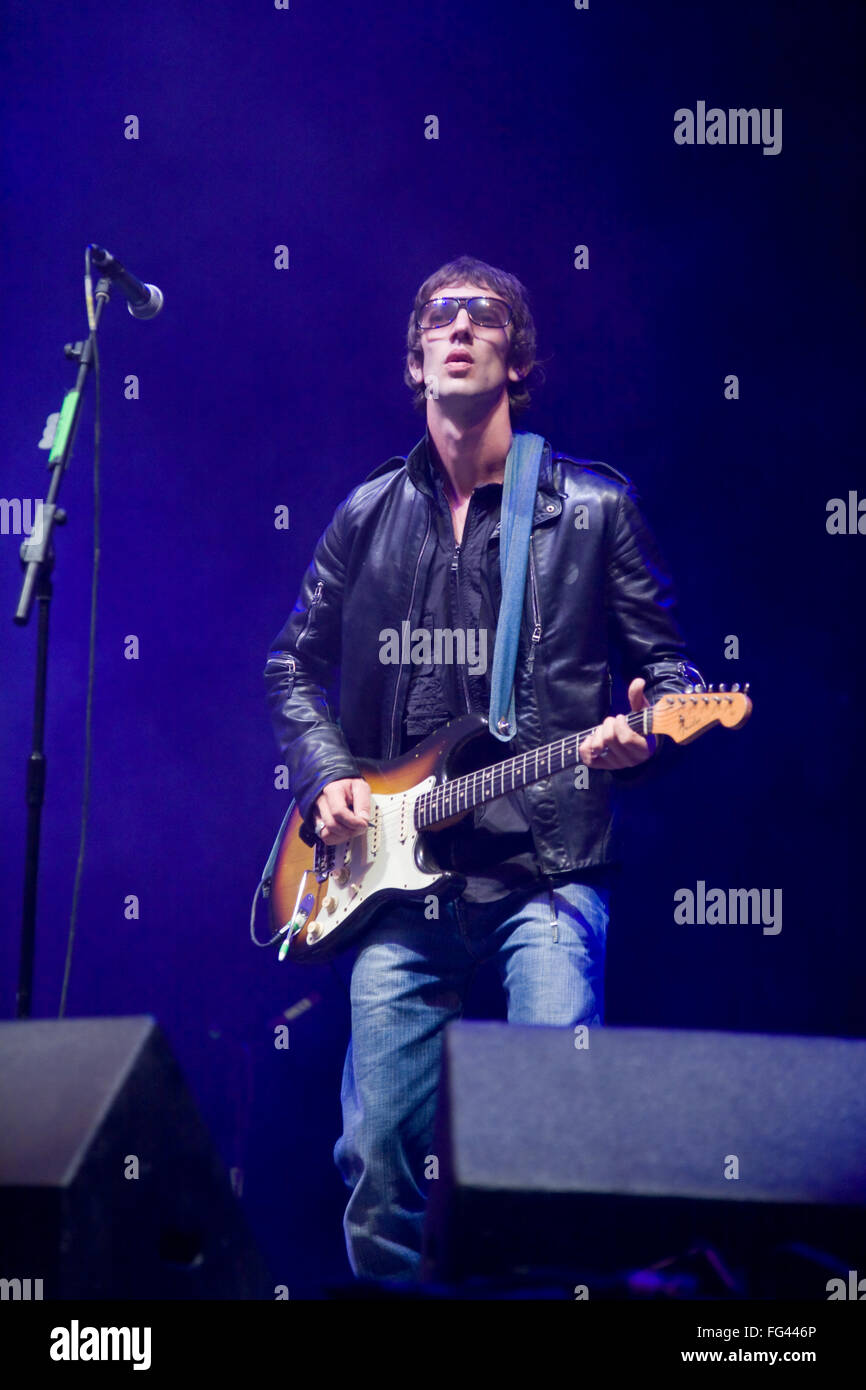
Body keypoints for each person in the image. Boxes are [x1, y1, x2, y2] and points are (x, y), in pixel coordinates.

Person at [263, 255, 703, 1283]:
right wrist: (324, 771)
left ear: (517, 357)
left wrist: (648, 723)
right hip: (390, 885)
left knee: (554, 1139)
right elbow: (290, 660)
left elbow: (669, 667)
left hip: (543, 870)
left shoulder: (590, 506)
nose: (458, 327)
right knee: (376, 1162)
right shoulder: (366, 512)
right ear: (415, 360)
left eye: (484, 316)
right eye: (438, 317)